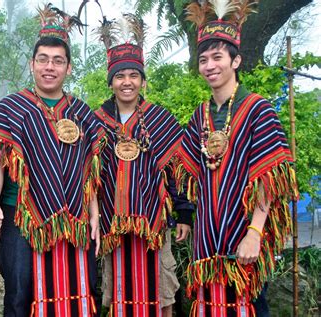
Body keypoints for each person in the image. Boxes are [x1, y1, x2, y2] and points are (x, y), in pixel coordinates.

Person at [177, 1, 298, 315]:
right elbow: (187, 174)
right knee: (209, 306)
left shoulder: (259, 110)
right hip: (206, 239)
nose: (209, 66)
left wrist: (255, 233)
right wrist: (186, 219)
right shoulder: (198, 116)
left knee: (249, 305)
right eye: (203, 59)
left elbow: (269, 178)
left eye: (217, 57)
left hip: (244, 234)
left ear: (236, 60)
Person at [0, 4, 102, 316]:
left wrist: (94, 216)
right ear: (32, 63)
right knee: (21, 294)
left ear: (69, 68)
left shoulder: (82, 114)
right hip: (20, 219)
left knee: (76, 292)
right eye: (44, 59)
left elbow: (91, 171)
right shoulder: (9, 109)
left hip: (73, 218)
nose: (50, 67)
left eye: (58, 61)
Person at [94, 14, 193, 317]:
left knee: (161, 292)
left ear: (142, 80)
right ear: (111, 81)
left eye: (133, 76)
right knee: (120, 292)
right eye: (120, 76)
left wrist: (184, 212)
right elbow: (89, 175)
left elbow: (177, 169)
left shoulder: (160, 120)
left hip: (154, 224)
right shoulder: (96, 122)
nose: (127, 82)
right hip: (113, 225)